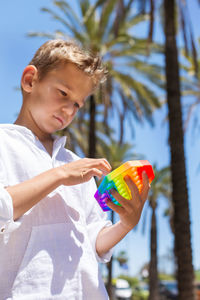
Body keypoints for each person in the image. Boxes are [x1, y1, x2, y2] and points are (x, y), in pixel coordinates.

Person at [0, 39, 150, 300]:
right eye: (63, 93)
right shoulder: (4, 144)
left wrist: (127, 223)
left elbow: (94, 240)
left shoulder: (75, 164)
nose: (69, 110)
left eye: (78, 104)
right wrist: (58, 175)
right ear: (30, 81)